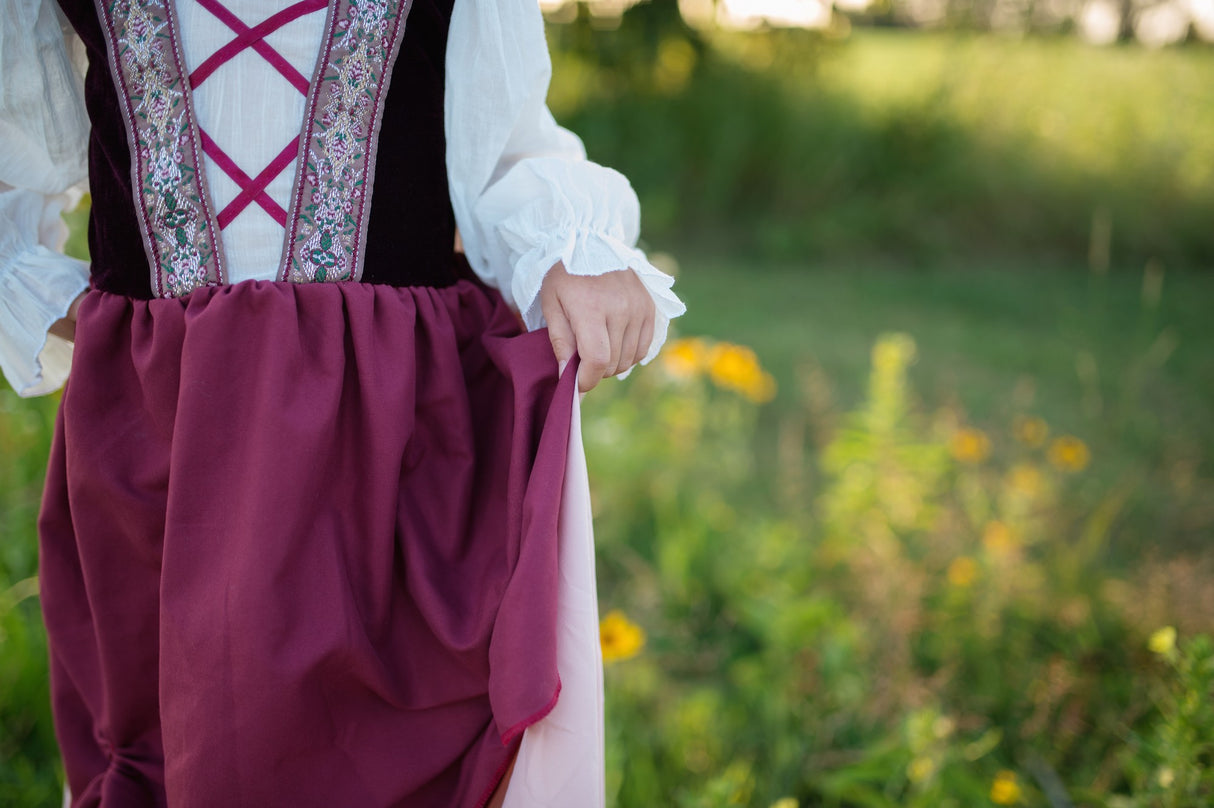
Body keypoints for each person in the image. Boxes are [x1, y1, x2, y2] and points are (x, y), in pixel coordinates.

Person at [0, 0, 685, 805]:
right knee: (176, 750)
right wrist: (56, 298)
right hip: (167, 429)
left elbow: (501, 144)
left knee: (384, 754)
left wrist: (570, 248)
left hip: (391, 422)